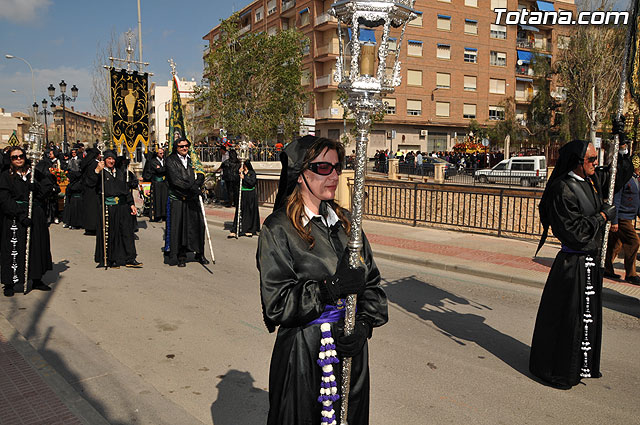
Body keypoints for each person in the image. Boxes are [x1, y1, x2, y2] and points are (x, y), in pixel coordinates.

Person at [257, 136, 388, 424]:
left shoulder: (347, 225)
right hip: (303, 354)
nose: (334, 175)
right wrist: (331, 289)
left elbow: (374, 288)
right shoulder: (278, 229)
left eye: (337, 167)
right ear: (301, 175)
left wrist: (363, 326)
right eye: (323, 168)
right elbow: (277, 304)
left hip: (349, 351)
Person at [530, 140, 616, 390]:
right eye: (591, 159)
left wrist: (619, 149)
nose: (595, 163)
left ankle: (580, 366)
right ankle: (558, 371)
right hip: (572, 267)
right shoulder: (562, 189)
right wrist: (601, 217)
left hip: (590, 265)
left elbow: (615, 176)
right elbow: (574, 232)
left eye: (595, 158)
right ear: (577, 163)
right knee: (568, 321)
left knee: (585, 321)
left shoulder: (590, 181)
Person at [0, 147, 54, 296]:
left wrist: (35, 187)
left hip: (34, 214)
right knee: (13, 248)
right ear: (10, 160)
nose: (18, 159)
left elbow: (47, 189)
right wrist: (20, 215)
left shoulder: (34, 173)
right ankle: (10, 283)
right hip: (15, 217)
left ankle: (36, 278)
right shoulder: (6, 176)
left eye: (20, 156)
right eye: (14, 157)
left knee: (36, 246)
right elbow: (4, 199)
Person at [87, 150, 142, 268]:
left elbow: (126, 189)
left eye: (113, 159)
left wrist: (131, 204)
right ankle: (111, 259)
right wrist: (97, 170)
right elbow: (90, 183)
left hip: (122, 206)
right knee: (112, 233)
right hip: (109, 206)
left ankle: (130, 258)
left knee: (127, 232)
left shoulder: (120, 172)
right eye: (109, 159)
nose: (111, 161)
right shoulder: (101, 173)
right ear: (104, 160)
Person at [165, 137, 209, 267]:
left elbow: (200, 173)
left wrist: (199, 181)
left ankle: (200, 253)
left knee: (198, 226)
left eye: (186, 146)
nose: (184, 148)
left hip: (193, 199)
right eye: (181, 146)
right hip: (178, 198)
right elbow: (175, 180)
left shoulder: (192, 159)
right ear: (176, 148)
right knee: (180, 228)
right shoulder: (170, 161)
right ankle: (181, 255)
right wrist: (191, 187)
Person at [604, 153, 640, 285]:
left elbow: (638, 200)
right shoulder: (625, 179)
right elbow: (616, 199)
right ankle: (631, 274)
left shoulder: (636, 179)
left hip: (628, 217)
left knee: (615, 244)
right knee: (633, 242)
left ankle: (606, 268)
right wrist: (614, 220)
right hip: (621, 217)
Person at [228, 160, 259, 238]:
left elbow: (252, 183)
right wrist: (238, 174)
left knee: (249, 211)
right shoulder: (240, 172)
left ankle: (249, 229)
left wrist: (244, 177)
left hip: (250, 194)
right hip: (242, 193)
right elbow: (234, 180)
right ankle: (235, 229)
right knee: (239, 210)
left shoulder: (252, 173)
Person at [80, 145, 100, 235]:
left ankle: (88, 227)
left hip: (86, 189)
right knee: (93, 209)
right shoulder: (95, 164)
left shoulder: (87, 162)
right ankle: (93, 227)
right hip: (93, 189)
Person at [145, 147, 168, 222]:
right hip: (157, 183)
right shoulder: (153, 161)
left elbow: (164, 169)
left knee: (164, 199)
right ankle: (158, 216)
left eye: (163, 153)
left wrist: (163, 168)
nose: (162, 154)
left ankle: (164, 214)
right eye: (160, 153)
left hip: (164, 183)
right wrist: (163, 169)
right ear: (157, 154)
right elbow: (159, 170)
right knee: (158, 199)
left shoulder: (164, 161)